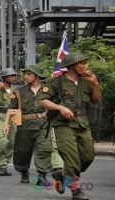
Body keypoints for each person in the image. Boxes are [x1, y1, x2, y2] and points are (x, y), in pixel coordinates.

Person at [37, 53, 101, 200]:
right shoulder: (57, 82)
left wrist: (96, 84)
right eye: (82, 64)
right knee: (71, 156)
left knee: (88, 156)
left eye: (86, 63)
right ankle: (76, 190)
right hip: (63, 124)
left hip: (82, 122)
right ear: (71, 66)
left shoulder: (87, 81)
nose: (86, 67)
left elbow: (96, 100)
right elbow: (42, 100)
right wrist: (60, 108)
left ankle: (62, 174)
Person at [3, 65, 63, 184]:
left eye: (29, 74)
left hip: (44, 124)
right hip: (25, 125)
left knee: (44, 149)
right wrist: (6, 124)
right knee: (23, 151)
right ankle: (24, 172)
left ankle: (42, 176)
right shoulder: (19, 91)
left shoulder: (48, 89)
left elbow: (57, 104)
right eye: (25, 74)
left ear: (37, 76)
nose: (26, 76)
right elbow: (11, 108)